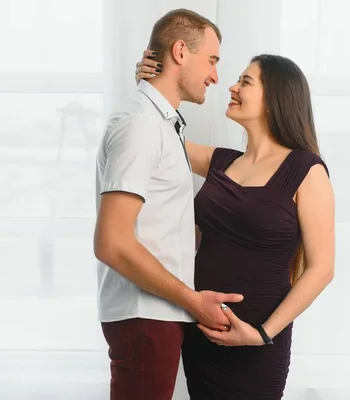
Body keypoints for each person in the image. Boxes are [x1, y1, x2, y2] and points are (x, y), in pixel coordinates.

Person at [135, 51, 335, 399]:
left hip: (258, 344)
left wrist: (262, 333)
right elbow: (158, 136)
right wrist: (150, 86)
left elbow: (322, 269)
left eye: (245, 81)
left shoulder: (307, 170)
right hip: (202, 333)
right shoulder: (221, 162)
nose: (231, 86)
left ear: (276, 98)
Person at [93, 9, 244, 400]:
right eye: (212, 60)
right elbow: (112, 242)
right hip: (146, 316)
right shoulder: (142, 125)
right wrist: (192, 300)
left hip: (154, 316)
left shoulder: (161, 125)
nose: (215, 76)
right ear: (181, 51)